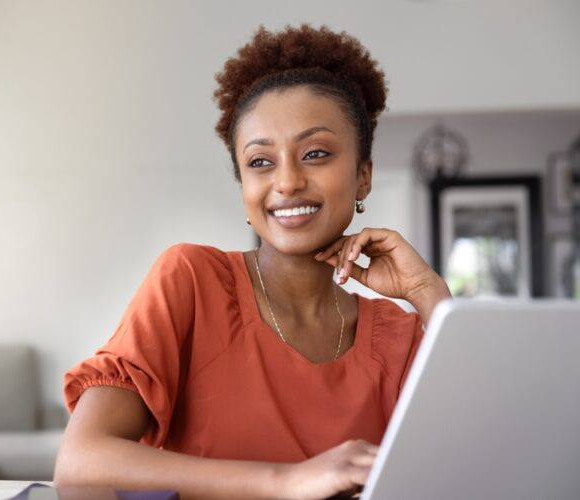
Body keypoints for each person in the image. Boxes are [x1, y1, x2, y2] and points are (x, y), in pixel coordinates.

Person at [54, 24, 452, 499]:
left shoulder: (398, 337)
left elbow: (490, 463)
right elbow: (81, 463)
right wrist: (288, 480)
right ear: (243, 185)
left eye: (316, 153)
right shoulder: (192, 282)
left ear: (363, 176)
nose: (286, 182)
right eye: (261, 162)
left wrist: (430, 295)